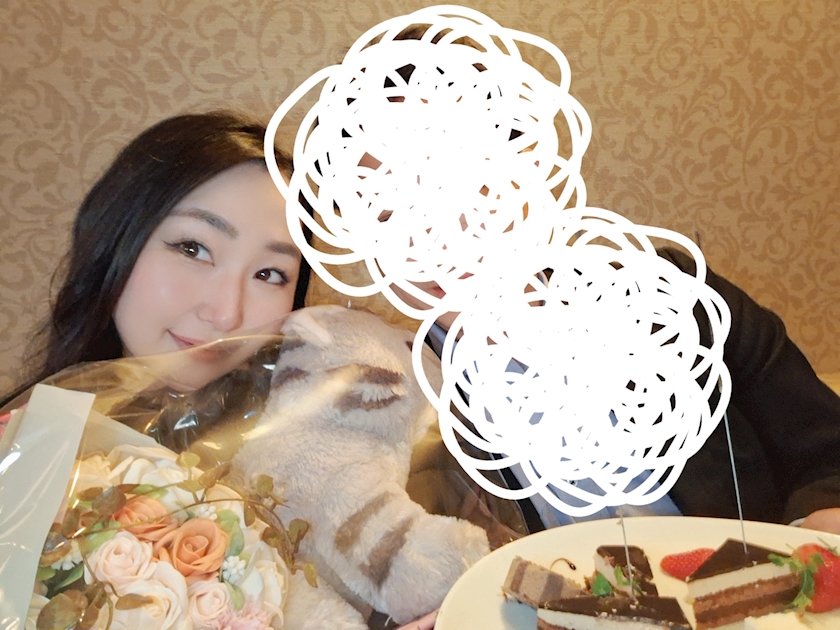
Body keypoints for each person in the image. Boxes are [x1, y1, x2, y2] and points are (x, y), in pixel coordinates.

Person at [393, 249, 840, 535]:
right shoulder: (390, 396)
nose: (433, 244)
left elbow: (827, 453)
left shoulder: (674, 299)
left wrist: (812, 533)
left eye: (455, 185)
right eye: (386, 214)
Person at [1, 111, 311, 423]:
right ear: (116, 237)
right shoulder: (22, 437)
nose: (226, 315)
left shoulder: (300, 443)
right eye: (193, 249)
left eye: (268, 274)